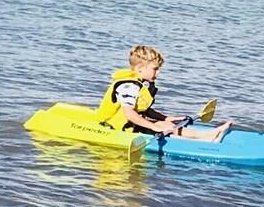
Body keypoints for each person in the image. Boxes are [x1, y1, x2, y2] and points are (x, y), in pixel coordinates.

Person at [95, 45, 231, 144]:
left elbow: (143, 109)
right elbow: (129, 113)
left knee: (164, 124)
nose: (158, 73)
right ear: (140, 69)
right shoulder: (128, 86)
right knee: (161, 126)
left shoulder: (139, 83)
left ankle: (204, 136)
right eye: (155, 69)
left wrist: (165, 118)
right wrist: (154, 126)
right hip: (116, 129)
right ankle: (205, 137)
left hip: (131, 125)